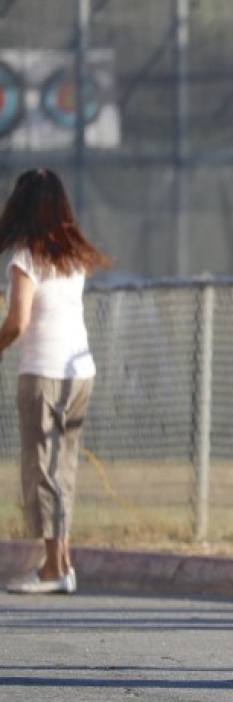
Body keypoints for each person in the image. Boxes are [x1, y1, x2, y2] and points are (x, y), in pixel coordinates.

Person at [0, 168, 111, 595]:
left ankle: (52, 567)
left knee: (42, 470)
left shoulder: (25, 258)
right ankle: (62, 562)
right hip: (80, 374)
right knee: (61, 469)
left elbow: (17, 321)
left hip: (44, 373)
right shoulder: (73, 258)